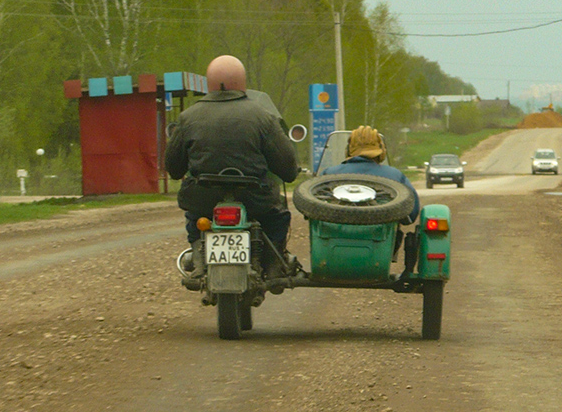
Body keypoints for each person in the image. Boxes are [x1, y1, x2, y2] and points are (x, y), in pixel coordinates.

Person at [165, 55, 299, 274]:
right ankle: (274, 261)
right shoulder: (263, 117)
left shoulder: (187, 118)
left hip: (204, 200)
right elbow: (288, 168)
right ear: (243, 83)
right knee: (278, 216)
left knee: (194, 217)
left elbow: (173, 168)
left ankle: (199, 250)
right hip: (255, 200)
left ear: (208, 84)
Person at [321, 126, 422, 279]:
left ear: (349, 149)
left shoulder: (329, 174)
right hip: (381, 246)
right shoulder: (394, 176)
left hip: (330, 245)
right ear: (380, 150)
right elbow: (411, 214)